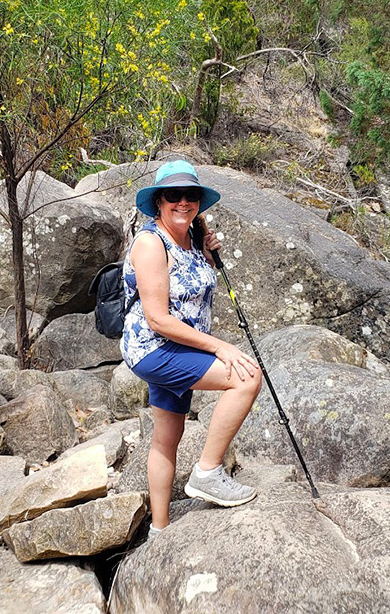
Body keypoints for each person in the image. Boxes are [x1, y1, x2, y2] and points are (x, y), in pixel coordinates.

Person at [121, 160, 263, 537]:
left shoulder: (190, 240)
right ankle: (207, 472)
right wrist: (220, 348)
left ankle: (160, 530)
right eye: (173, 196)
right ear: (158, 202)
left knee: (167, 439)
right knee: (246, 378)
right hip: (156, 349)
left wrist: (208, 253)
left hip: (173, 348)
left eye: (191, 196)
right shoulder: (151, 243)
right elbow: (158, 319)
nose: (183, 203)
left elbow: (194, 291)